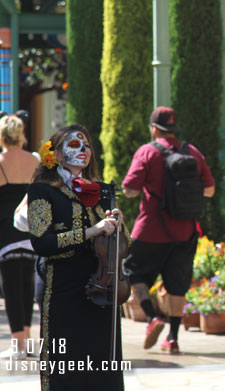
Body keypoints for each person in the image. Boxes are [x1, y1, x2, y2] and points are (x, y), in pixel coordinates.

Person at [27, 124, 125, 390]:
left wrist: (119, 226)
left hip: (101, 286)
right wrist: (91, 231)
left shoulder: (104, 191)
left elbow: (120, 244)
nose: (83, 150)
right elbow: (41, 242)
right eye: (73, 145)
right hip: (63, 287)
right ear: (56, 155)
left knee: (102, 364)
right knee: (66, 362)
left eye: (87, 145)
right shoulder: (41, 190)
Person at [122, 106, 215, 354]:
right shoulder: (192, 153)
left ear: (154, 128)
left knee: (133, 272)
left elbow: (129, 188)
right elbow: (210, 189)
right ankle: (173, 338)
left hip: (150, 230)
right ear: (174, 128)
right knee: (177, 285)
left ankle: (152, 318)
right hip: (185, 231)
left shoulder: (147, 152)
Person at [0, 115, 39, 360]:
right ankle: (26, 338)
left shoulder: (1, 161)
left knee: (11, 288)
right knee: (27, 286)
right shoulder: (34, 161)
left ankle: (19, 345)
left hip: (6, 233)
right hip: (31, 230)